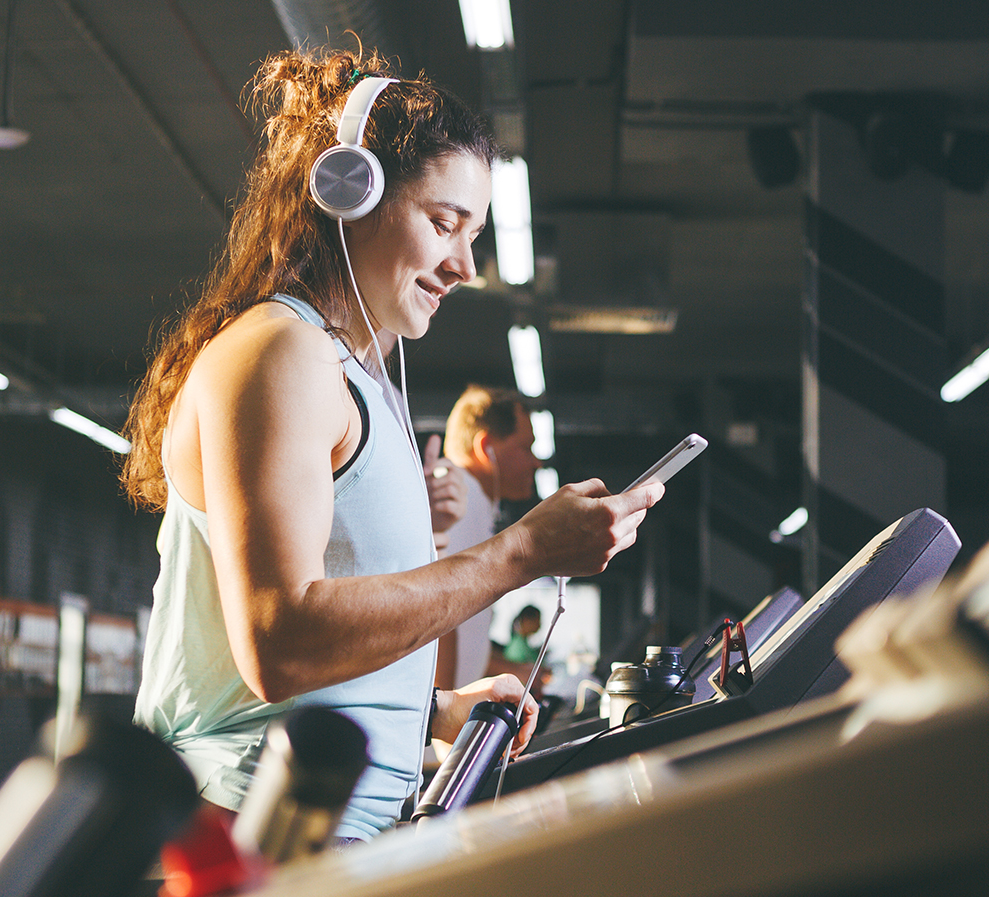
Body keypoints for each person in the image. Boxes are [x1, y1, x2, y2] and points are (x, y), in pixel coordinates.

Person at [120, 45, 663, 843]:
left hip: (328, 824)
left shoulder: (352, 372)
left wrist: (433, 712)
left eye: (472, 233)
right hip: (247, 828)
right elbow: (280, 642)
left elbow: (324, 639)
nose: (464, 265)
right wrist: (519, 554)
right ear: (350, 192)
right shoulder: (281, 353)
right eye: (443, 223)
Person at [435, 385, 540, 689]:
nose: (536, 463)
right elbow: (442, 613)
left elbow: (465, 629)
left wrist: (505, 668)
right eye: (526, 448)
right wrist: (441, 715)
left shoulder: (475, 501)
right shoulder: (456, 500)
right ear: (486, 448)